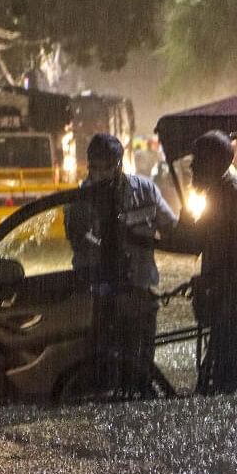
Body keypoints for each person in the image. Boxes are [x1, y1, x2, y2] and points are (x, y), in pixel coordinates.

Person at [65, 134, 178, 395]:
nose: (101, 173)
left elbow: (170, 228)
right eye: (96, 166)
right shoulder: (78, 201)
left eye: (107, 166)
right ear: (88, 165)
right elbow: (78, 243)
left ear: (119, 163)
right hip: (97, 298)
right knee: (100, 373)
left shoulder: (145, 191)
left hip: (139, 292)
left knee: (139, 370)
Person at [173, 131, 237, 394]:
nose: (192, 167)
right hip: (228, 298)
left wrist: (208, 281)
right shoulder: (220, 192)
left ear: (216, 162)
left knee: (229, 385)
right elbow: (196, 241)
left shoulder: (231, 196)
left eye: (198, 161)